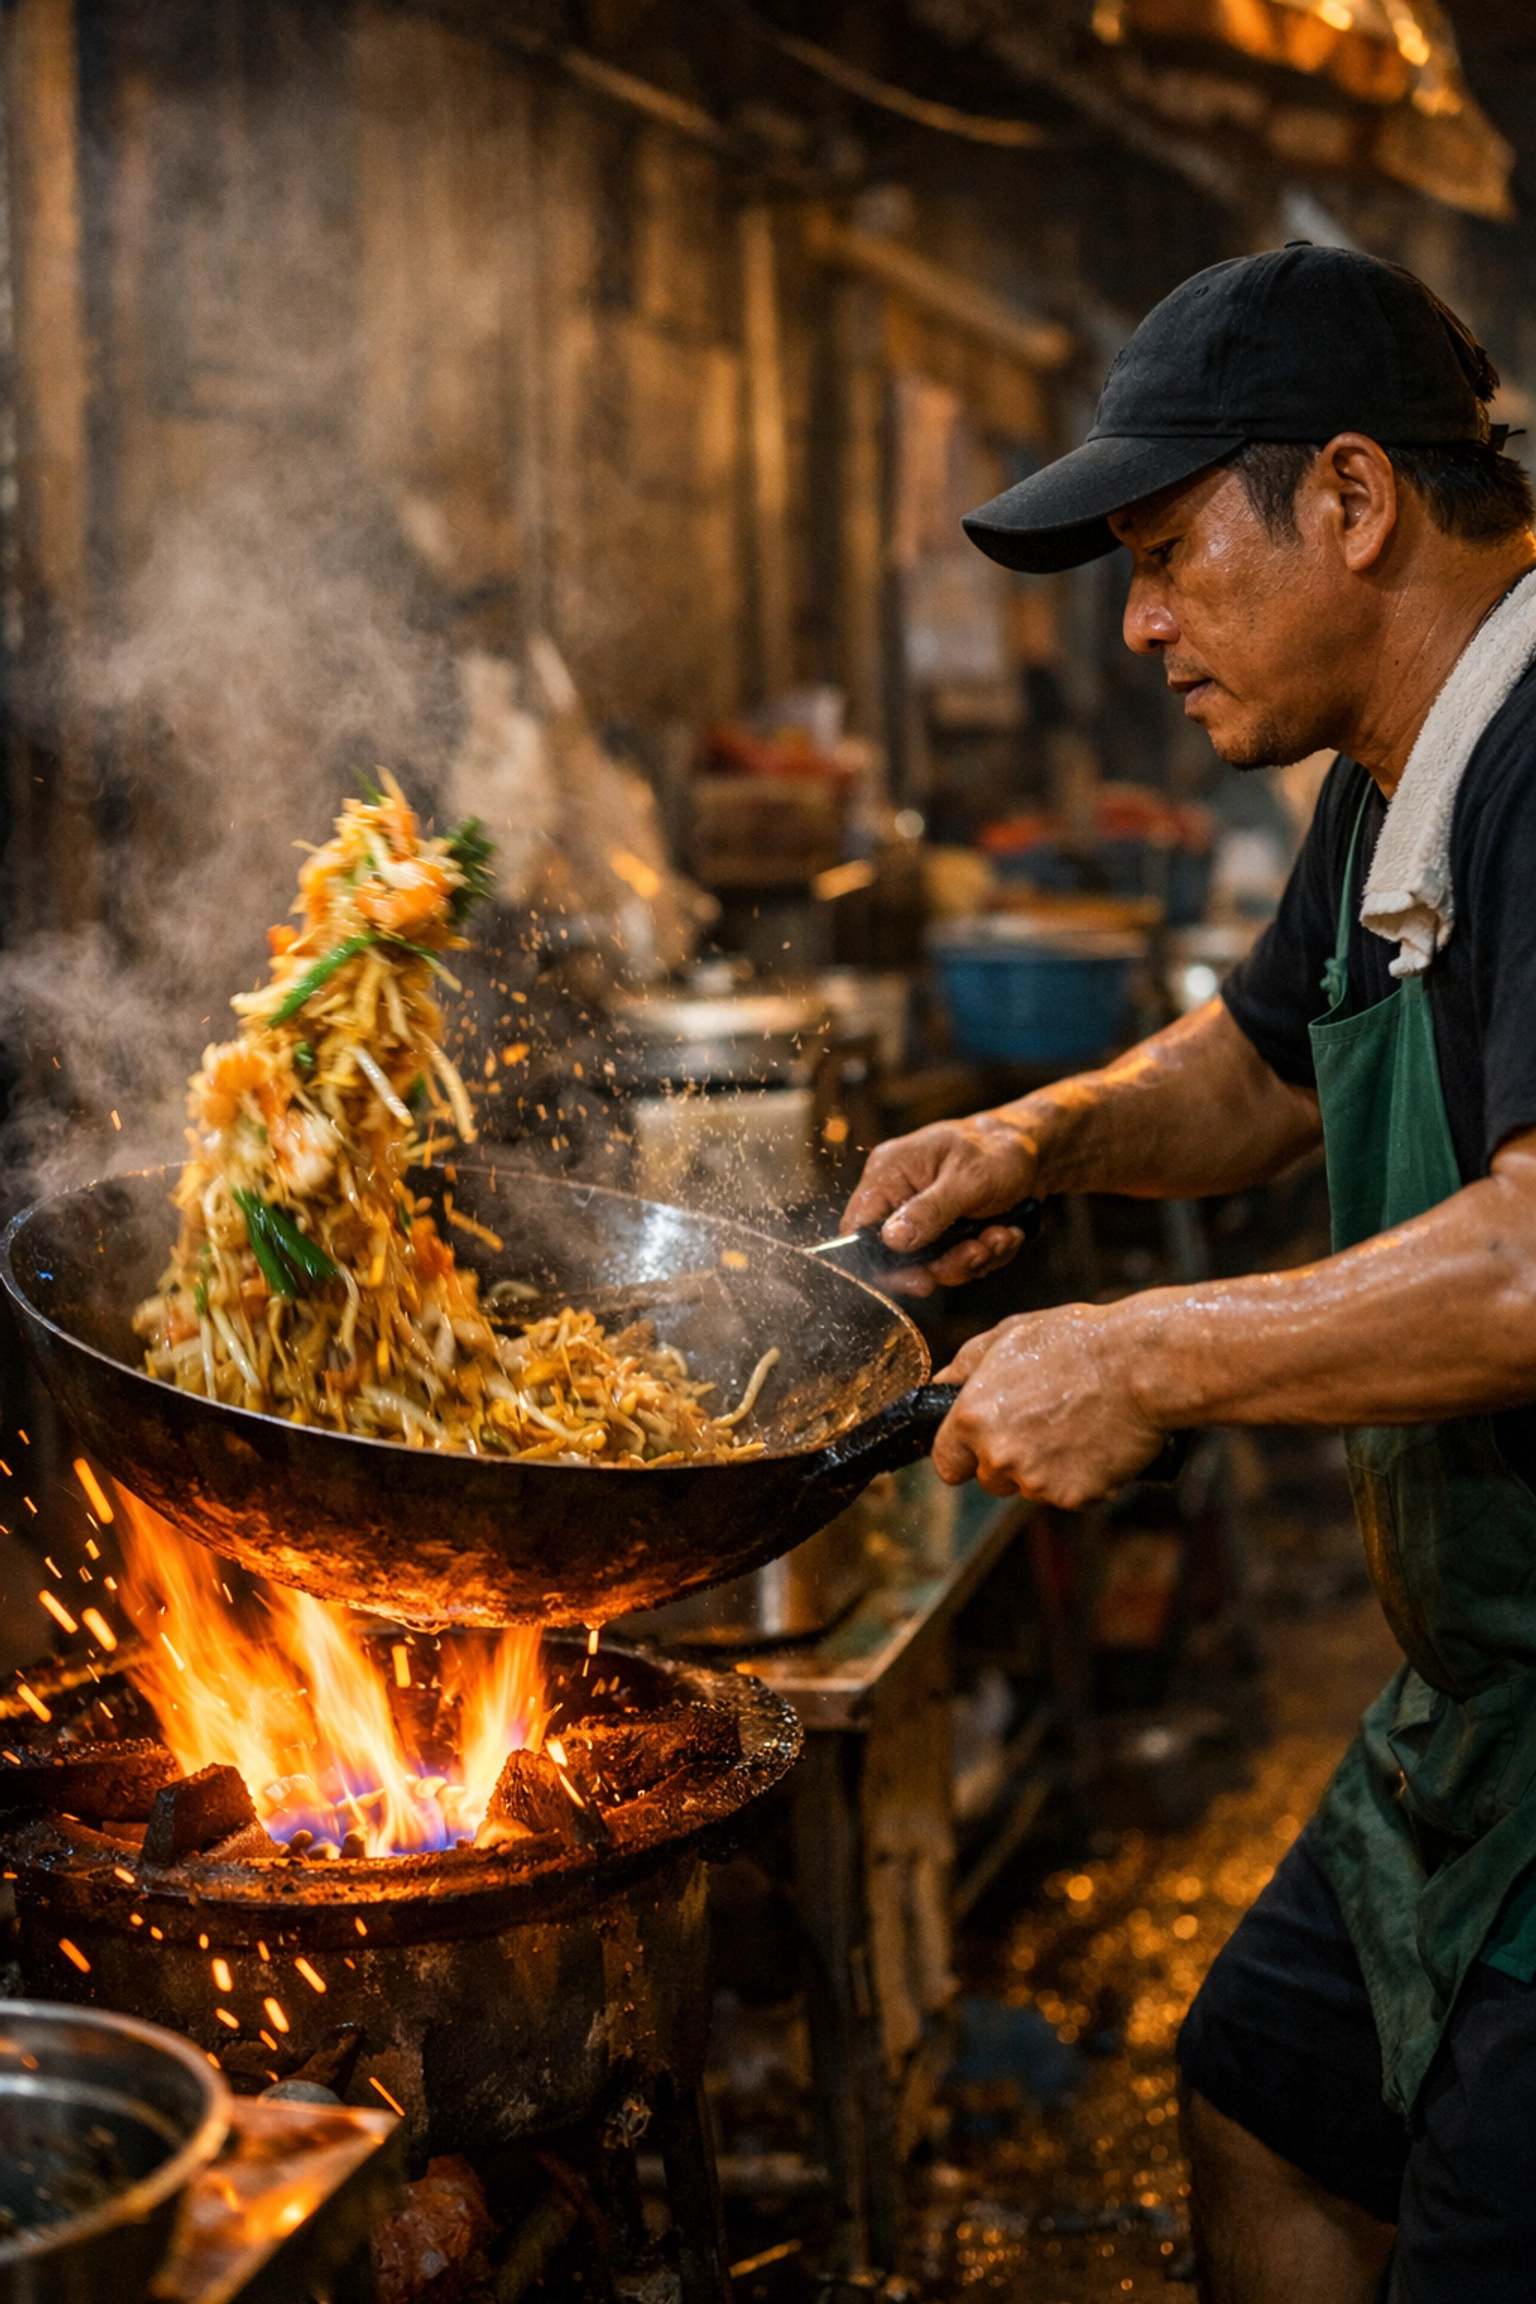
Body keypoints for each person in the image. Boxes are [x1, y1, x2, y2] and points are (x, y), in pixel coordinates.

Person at [842, 245, 1536, 2303]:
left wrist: (1146, 1353)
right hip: (1490, 1702)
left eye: (1163, 556)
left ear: (1349, 502)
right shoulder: (1398, 770)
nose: (1137, 624)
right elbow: (1249, 1067)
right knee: (1259, 2084)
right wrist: (1037, 1141)